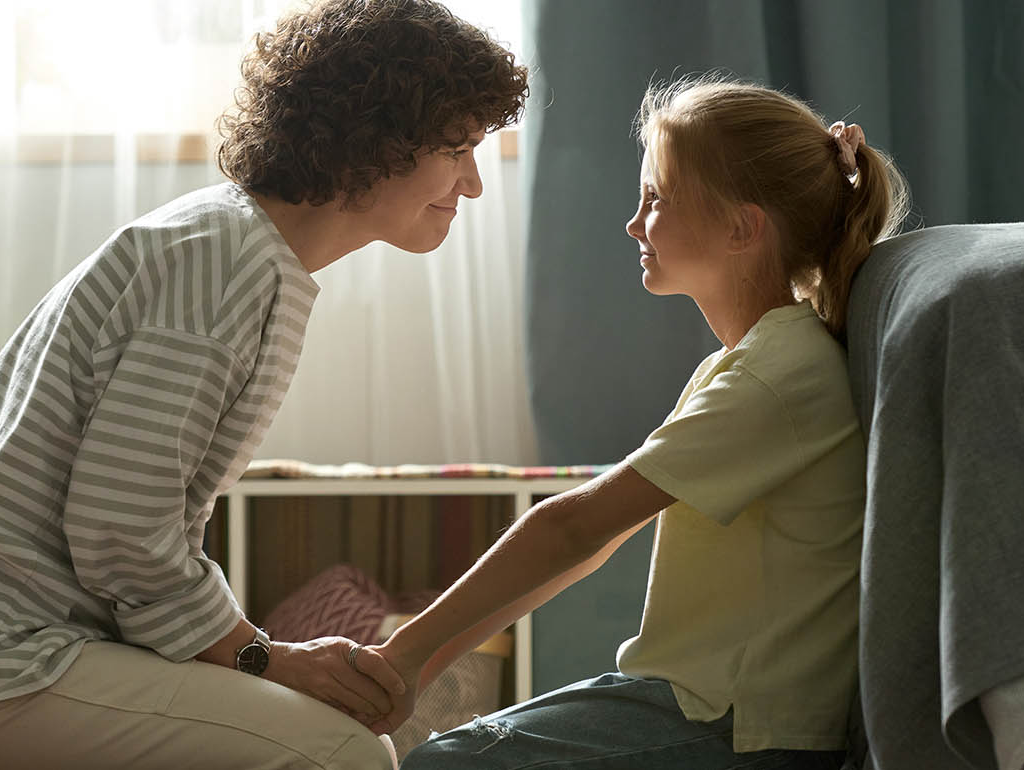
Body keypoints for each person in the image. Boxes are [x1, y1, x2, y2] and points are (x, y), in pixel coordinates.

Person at [0, 1, 527, 768]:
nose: (472, 183)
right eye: (458, 147)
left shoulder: (237, 248)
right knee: (343, 754)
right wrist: (263, 657)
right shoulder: (223, 266)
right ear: (373, 139)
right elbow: (120, 529)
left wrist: (258, 656)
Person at [373, 76, 911, 769]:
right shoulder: (759, 360)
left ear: (740, 228)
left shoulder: (775, 377)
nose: (634, 223)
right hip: (702, 702)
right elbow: (591, 539)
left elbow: (577, 526)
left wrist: (405, 652)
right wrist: (412, 666)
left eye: (655, 200)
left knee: (443, 764)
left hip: (740, 723)